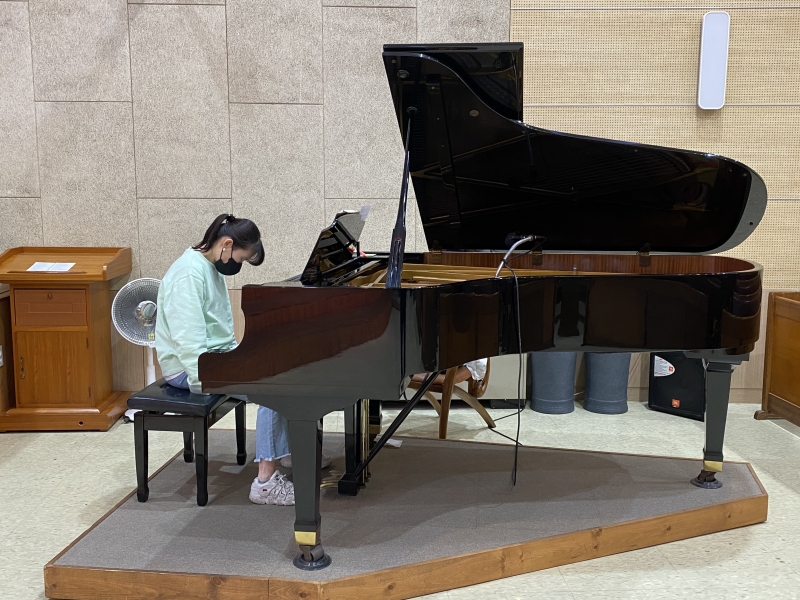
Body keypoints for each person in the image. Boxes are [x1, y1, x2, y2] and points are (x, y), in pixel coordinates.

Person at [154, 213, 295, 506]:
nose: (237, 265)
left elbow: (219, 334)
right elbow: (189, 343)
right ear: (227, 244)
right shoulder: (188, 274)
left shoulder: (207, 266)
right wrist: (207, 380)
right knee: (270, 387)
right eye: (240, 259)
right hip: (190, 369)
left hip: (216, 359)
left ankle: (285, 452)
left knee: (283, 367)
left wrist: (242, 357)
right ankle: (265, 484)